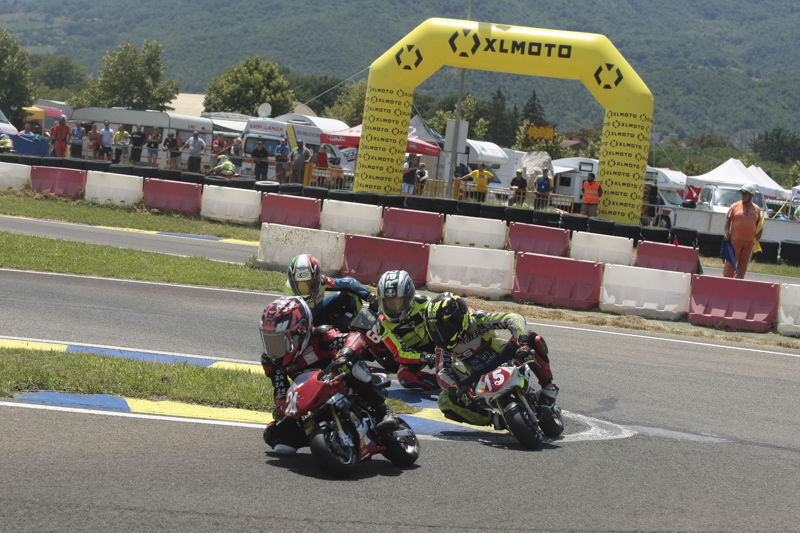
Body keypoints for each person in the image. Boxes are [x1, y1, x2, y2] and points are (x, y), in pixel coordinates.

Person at [260, 296, 399, 455]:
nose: (275, 348)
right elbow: (280, 389)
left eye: (282, 339)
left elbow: (354, 338)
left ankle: (384, 411)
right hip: (311, 397)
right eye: (270, 340)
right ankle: (319, 435)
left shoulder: (320, 334)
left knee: (353, 366)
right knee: (273, 436)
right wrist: (281, 408)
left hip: (342, 382)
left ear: (301, 330)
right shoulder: (271, 361)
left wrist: (345, 355)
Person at [424, 292, 559, 428]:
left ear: (459, 319)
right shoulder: (443, 347)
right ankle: (496, 420)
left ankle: (548, 390)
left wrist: (521, 340)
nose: (440, 334)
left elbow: (513, 318)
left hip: (504, 357)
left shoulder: (476, 319)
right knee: (445, 400)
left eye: (444, 328)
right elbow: (442, 374)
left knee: (531, 337)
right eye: (434, 329)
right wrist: (457, 388)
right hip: (477, 377)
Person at [376, 270, 439, 391]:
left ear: (409, 297)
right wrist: (427, 358)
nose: (393, 308)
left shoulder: (424, 303)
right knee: (404, 376)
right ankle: (443, 384)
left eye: (398, 302)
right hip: (417, 352)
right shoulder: (383, 325)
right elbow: (400, 354)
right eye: (388, 303)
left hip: (437, 341)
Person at [285, 254, 377, 333]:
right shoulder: (289, 290)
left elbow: (349, 282)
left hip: (318, 312)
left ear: (317, 279)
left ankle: (359, 327)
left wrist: (370, 297)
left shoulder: (322, 281)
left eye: (309, 283)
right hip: (303, 321)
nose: (305, 288)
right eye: (299, 284)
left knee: (351, 295)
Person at [723, 183, 762, 279]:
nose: (742, 195)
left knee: (743, 265)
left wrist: (758, 236)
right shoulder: (735, 206)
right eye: (742, 193)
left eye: (745, 194)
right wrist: (727, 233)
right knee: (730, 264)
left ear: (751, 195)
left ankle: (738, 283)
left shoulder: (757, 209)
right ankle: (725, 282)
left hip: (749, 242)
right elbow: (728, 220)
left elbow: (759, 224)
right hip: (735, 240)